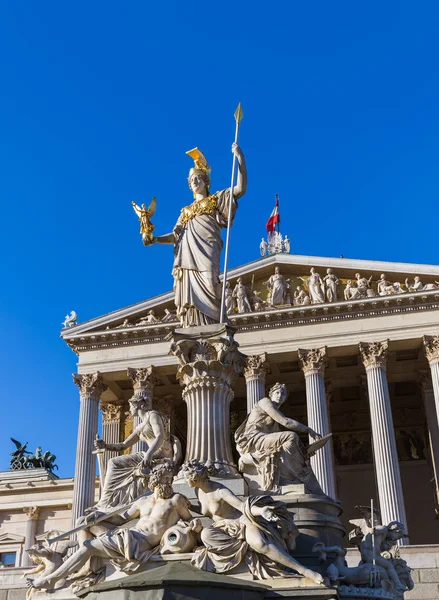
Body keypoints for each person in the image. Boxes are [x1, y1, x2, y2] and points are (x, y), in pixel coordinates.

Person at [29, 464, 199, 590]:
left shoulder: (176, 500)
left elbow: (189, 520)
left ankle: (51, 579)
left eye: (170, 479)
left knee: (88, 547)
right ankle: (87, 568)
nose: (169, 482)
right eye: (166, 478)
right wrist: (98, 516)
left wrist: (194, 526)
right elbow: (120, 519)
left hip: (139, 543)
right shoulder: (143, 501)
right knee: (83, 521)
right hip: (127, 535)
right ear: (155, 479)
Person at [144, 145, 247, 328]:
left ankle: (215, 325)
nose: (194, 182)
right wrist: (156, 239)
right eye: (191, 180)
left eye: (198, 178)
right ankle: (193, 327)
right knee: (189, 296)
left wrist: (240, 158)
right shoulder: (185, 212)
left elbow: (240, 188)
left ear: (206, 181)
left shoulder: (216, 200)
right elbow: (176, 236)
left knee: (210, 283)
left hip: (207, 252)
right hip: (187, 259)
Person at [181, 461, 324, 585]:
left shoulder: (220, 491)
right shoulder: (198, 491)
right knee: (206, 534)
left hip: (239, 522)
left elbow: (242, 506)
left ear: (196, 476)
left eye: (187, 476)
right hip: (222, 528)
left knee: (260, 544)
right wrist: (190, 507)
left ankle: (304, 570)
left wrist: (261, 511)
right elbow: (207, 511)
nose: (185, 479)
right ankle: (242, 551)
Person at [92, 394, 181, 513]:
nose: (129, 409)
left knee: (114, 463)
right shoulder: (140, 427)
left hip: (160, 456)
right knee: (113, 462)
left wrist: (149, 455)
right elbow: (123, 445)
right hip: (148, 455)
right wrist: (105, 446)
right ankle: (105, 501)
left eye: (130, 406)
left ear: (137, 405)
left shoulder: (153, 416)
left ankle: (105, 502)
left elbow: (159, 437)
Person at [235, 383, 325, 494]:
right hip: (253, 440)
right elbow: (286, 421)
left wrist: (302, 453)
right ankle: (296, 476)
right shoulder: (264, 402)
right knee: (291, 436)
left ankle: (294, 478)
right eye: (277, 392)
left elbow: (285, 446)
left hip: (262, 440)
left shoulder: (275, 426)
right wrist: (309, 430)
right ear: (270, 394)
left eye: (283, 394)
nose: (279, 395)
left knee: (290, 444)